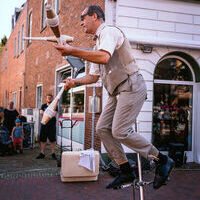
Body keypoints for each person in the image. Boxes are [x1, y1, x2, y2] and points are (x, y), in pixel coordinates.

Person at [54, 5, 174, 189]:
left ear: (95, 16)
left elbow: (103, 58)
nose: (80, 23)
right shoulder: (97, 44)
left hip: (131, 86)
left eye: (82, 18)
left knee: (120, 131)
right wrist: (74, 82)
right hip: (116, 92)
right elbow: (93, 76)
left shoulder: (109, 32)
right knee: (102, 128)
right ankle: (125, 170)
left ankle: (162, 159)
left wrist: (72, 50)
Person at [36, 94, 57, 160]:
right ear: (46, 99)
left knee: (52, 139)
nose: (49, 99)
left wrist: (46, 113)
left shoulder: (54, 105)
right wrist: (49, 114)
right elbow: (41, 113)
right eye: (48, 98)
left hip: (52, 125)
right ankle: (42, 153)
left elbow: (54, 114)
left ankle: (53, 153)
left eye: (50, 98)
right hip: (44, 124)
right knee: (43, 139)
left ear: (52, 99)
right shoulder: (43, 105)